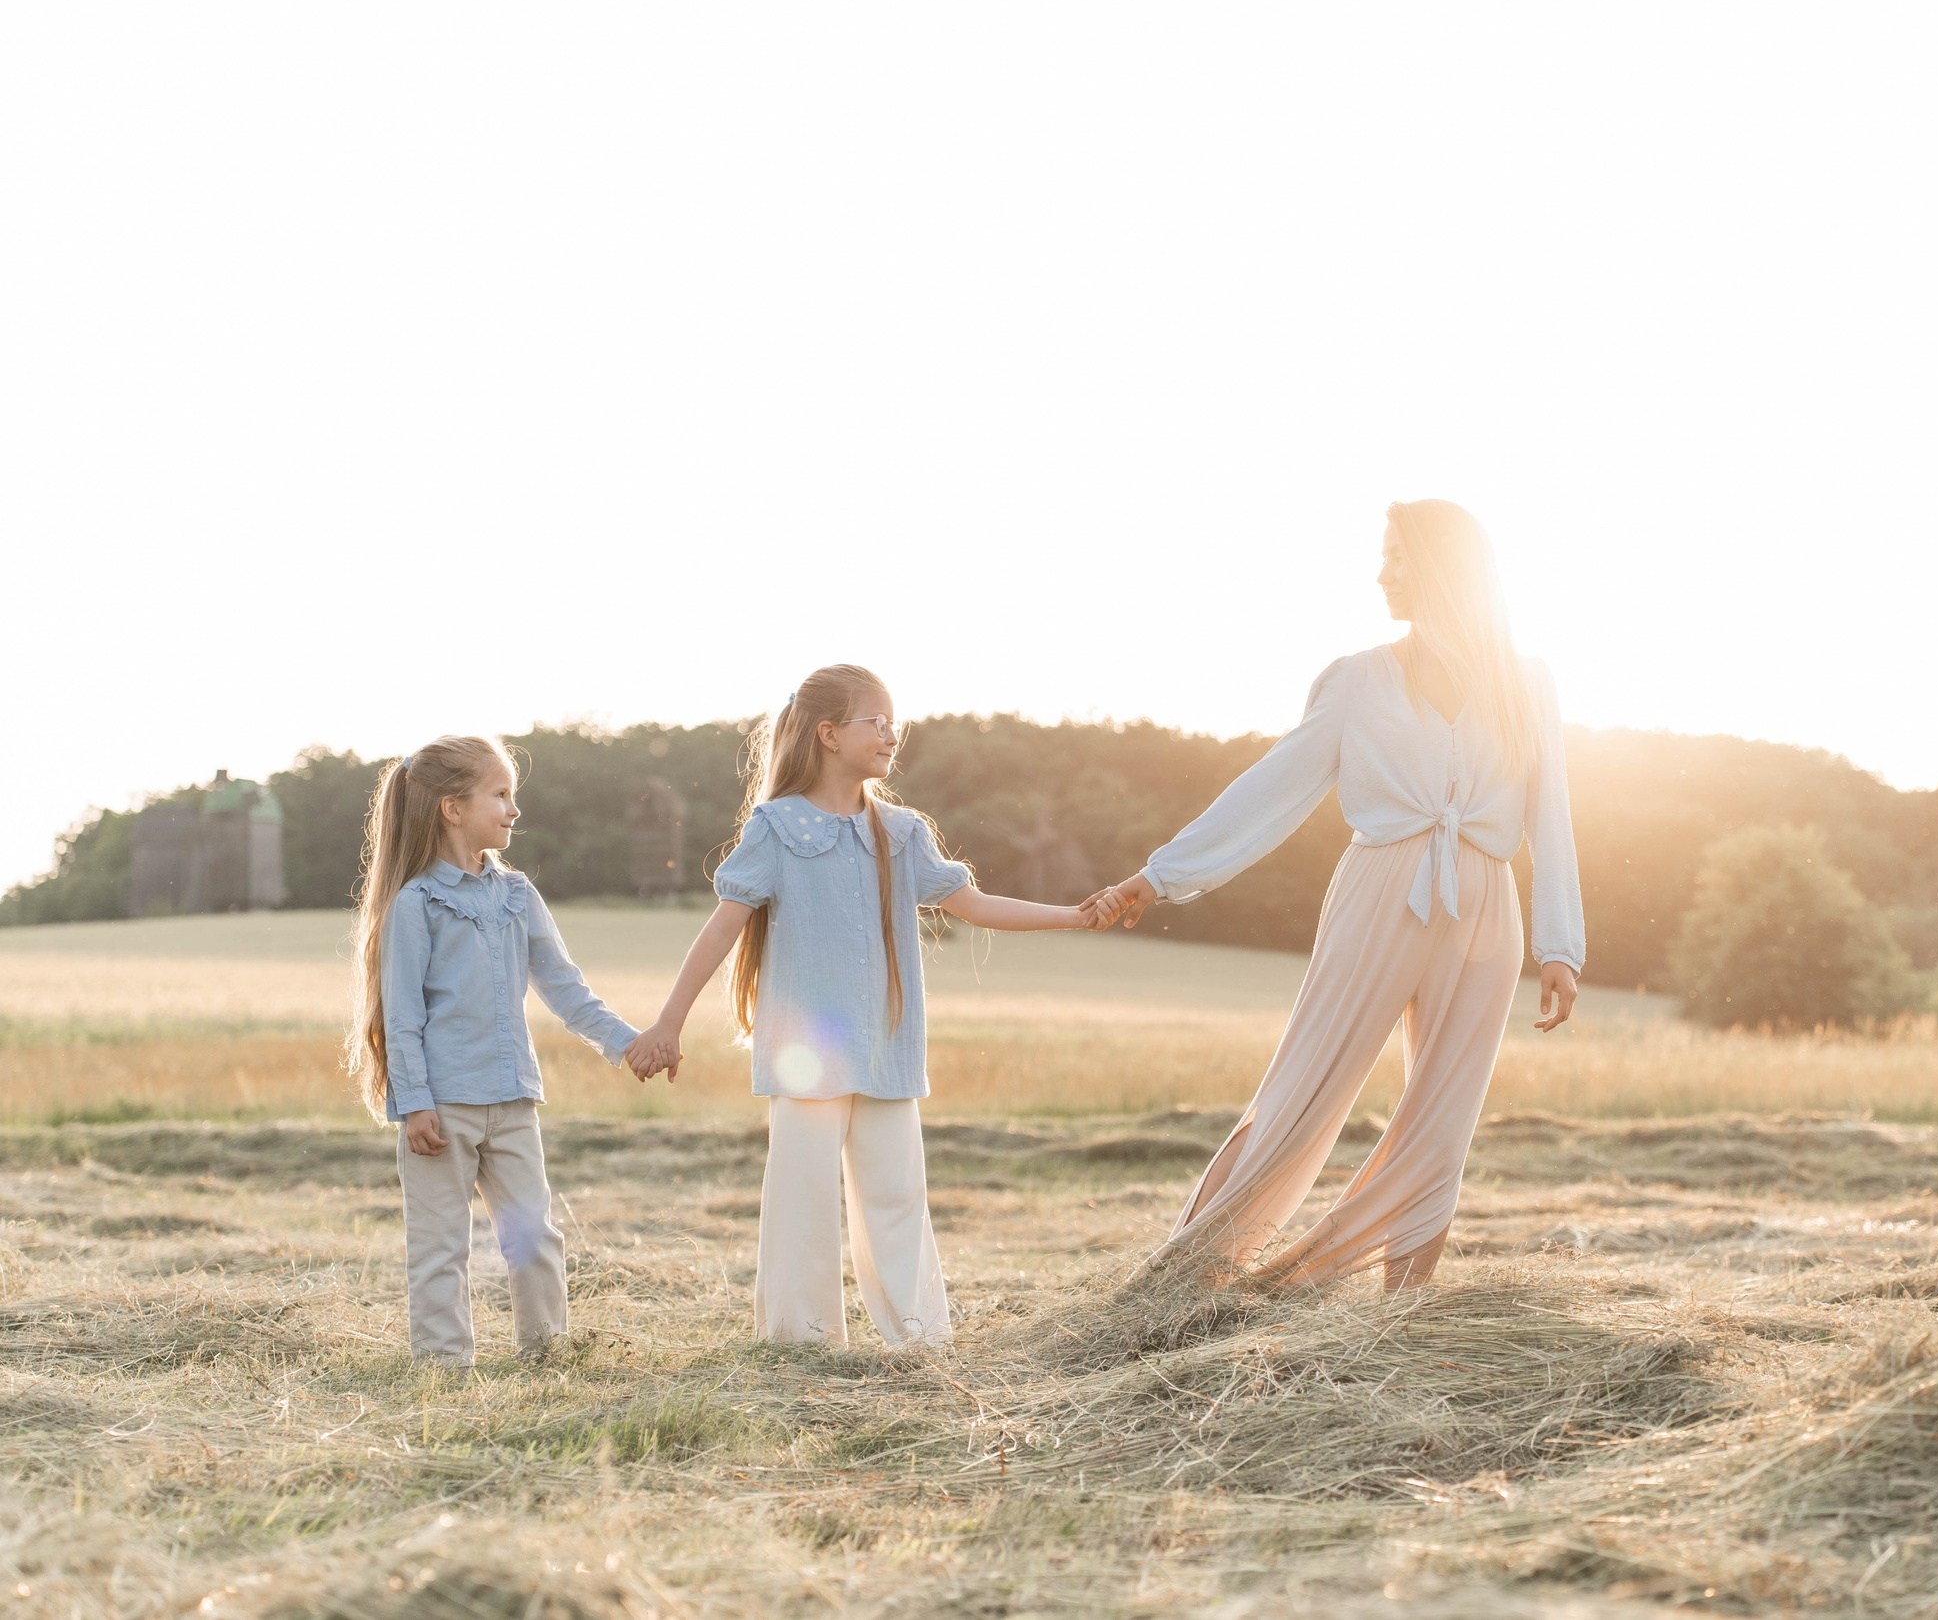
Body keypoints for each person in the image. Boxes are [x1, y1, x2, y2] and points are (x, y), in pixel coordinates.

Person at [1088, 500, 1584, 1291]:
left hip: (1487, 907)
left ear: (1443, 567)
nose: (1380, 572)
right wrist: (1163, 874)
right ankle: (1179, 1286)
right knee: (1298, 1093)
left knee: (1441, 1124)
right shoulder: (1357, 680)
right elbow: (1273, 788)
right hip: (1379, 892)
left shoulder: (1528, 683)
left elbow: (1551, 814)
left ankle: (1401, 1314)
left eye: (1395, 555)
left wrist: (1560, 946)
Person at [623, 663, 1116, 1349]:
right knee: (803, 1202)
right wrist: (669, 1023)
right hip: (806, 1056)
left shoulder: (904, 830)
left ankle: (918, 1339)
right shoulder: (776, 827)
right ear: (828, 734)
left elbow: (971, 904)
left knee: (896, 1199)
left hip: (886, 1047)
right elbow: (721, 930)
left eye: (894, 721)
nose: (891, 734)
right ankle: (801, 1342)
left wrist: (1072, 914)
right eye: (874, 721)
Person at [348, 734, 646, 1367]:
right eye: (502, 795)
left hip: (512, 1100)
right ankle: (445, 1369)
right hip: (441, 1108)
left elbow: (567, 990)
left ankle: (548, 1356)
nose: (515, 810)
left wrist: (628, 1044)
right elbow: (401, 1017)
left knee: (535, 1236)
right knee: (439, 1246)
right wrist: (415, 1104)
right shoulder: (416, 903)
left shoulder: (518, 895)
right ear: (453, 808)